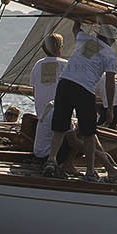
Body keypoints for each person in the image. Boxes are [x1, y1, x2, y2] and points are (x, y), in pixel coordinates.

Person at [45, 21, 117, 180]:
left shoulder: (85, 39)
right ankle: (90, 171)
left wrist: (82, 16)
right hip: (84, 89)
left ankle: (51, 160)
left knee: (60, 128)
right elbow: (110, 83)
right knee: (88, 133)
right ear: (111, 40)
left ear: (98, 34)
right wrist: (110, 108)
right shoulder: (109, 55)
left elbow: (75, 28)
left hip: (65, 84)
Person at [29, 32, 68, 161]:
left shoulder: (38, 65)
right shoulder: (66, 65)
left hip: (42, 114)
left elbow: (35, 90)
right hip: (60, 114)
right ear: (59, 47)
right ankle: (69, 163)